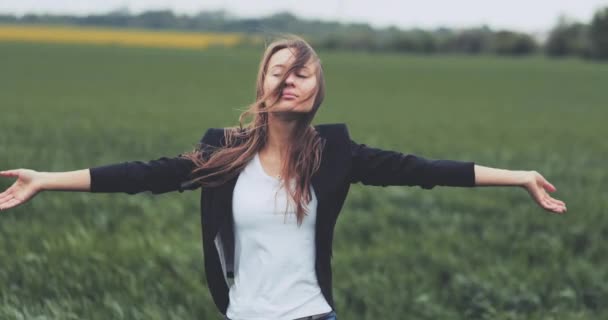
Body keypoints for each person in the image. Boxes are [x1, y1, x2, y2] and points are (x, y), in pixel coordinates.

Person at [0, 35, 566, 320]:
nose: (291, 79)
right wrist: (46, 179)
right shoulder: (221, 151)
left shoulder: (337, 153)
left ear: (318, 89)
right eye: (280, 70)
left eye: (303, 72)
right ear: (263, 84)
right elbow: (143, 175)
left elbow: (422, 170)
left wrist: (518, 177)